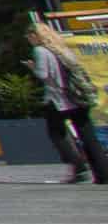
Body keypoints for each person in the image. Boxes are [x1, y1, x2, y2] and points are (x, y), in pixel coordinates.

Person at [36, 35, 103, 183]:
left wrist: (32, 67)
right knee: (88, 135)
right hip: (77, 97)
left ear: (35, 36)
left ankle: (79, 167)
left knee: (56, 133)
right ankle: (103, 173)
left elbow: (42, 74)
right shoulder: (63, 48)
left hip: (57, 99)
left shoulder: (40, 50)